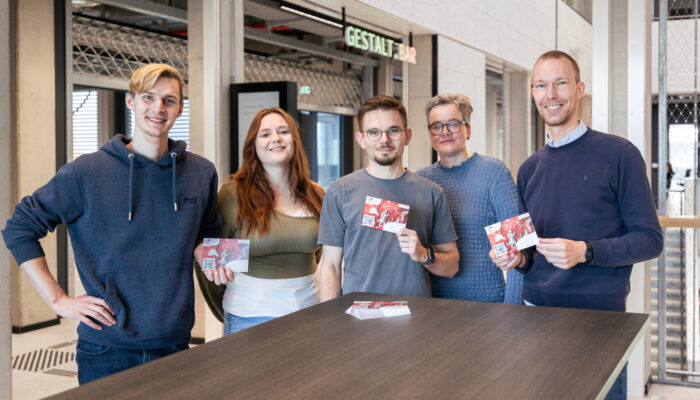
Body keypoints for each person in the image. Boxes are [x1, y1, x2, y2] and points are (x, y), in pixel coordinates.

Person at [1, 64, 221, 384]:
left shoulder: (201, 172)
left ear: (180, 108)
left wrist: (205, 251)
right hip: (107, 347)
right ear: (131, 102)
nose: (158, 108)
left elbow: (206, 230)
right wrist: (58, 300)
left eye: (169, 100)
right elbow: (19, 227)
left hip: (174, 340)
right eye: (148, 97)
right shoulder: (86, 172)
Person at [490, 50, 663, 400]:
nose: (550, 94)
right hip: (535, 315)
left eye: (560, 83)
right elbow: (529, 256)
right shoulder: (529, 168)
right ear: (534, 94)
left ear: (580, 88)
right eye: (541, 85)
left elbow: (649, 239)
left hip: (598, 321)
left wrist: (586, 251)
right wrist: (515, 260)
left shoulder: (619, 154)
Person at [195, 107, 325, 334]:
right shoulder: (233, 194)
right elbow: (211, 263)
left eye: (283, 131)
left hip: (309, 312)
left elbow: (318, 253)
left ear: (294, 140)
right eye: (265, 134)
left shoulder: (316, 194)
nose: (276, 138)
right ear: (253, 146)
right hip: (249, 316)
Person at [318, 95, 459, 301]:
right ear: (361, 139)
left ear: (407, 136)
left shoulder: (431, 192)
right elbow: (330, 266)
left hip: (417, 316)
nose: (384, 140)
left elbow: (452, 266)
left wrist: (423, 255)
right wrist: (330, 321)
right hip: (358, 318)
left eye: (393, 130)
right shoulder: (340, 192)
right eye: (374, 132)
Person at [416, 93, 523, 304]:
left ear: (468, 130)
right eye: (436, 126)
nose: (444, 132)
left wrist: (514, 310)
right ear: (429, 134)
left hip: (487, 306)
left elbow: (516, 250)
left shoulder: (495, 173)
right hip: (431, 307)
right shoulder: (421, 180)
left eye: (453, 124)